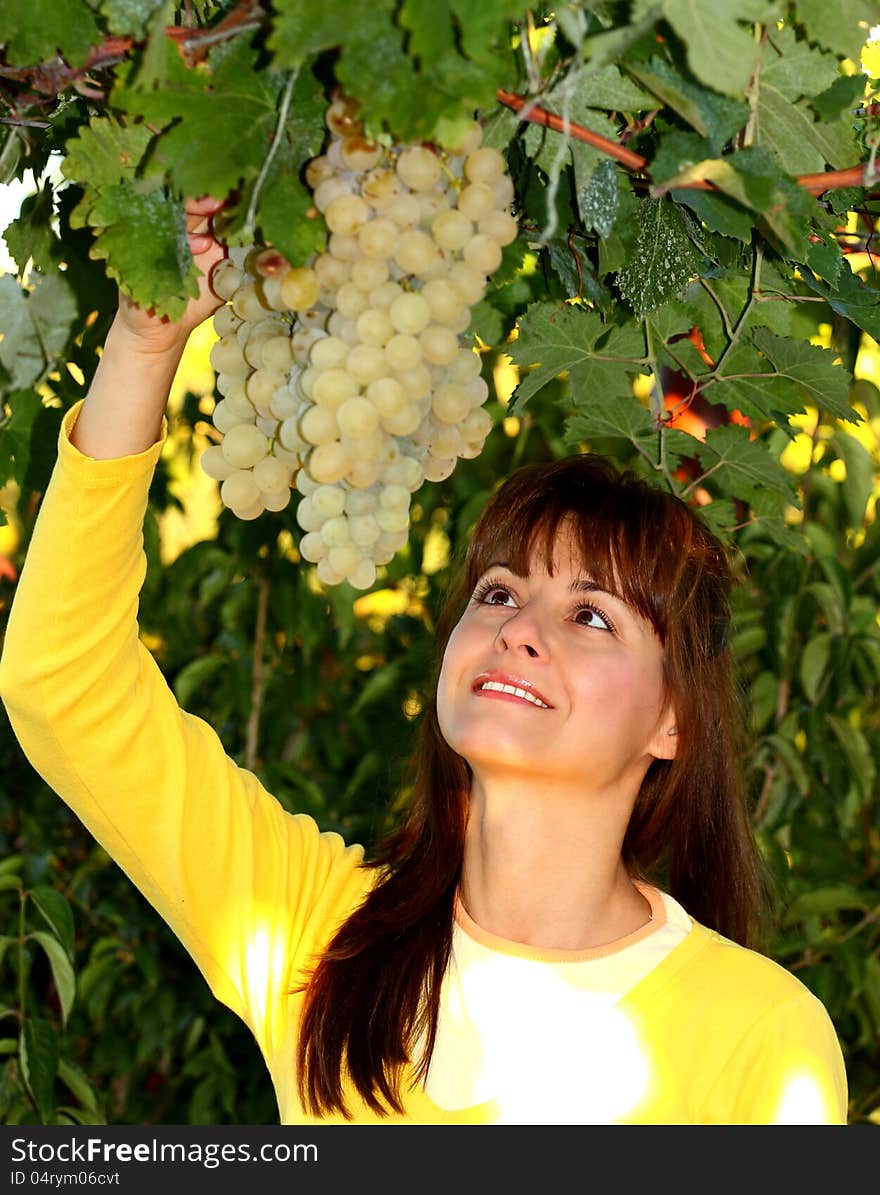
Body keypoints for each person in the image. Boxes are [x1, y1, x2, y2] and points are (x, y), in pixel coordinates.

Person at [0, 198, 848, 1126]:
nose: (521, 628)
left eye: (592, 616)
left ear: (671, 720)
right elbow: (62, 682)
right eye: (499, 592)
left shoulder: (761, 1036)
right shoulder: (314, 937)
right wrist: (144, 345)